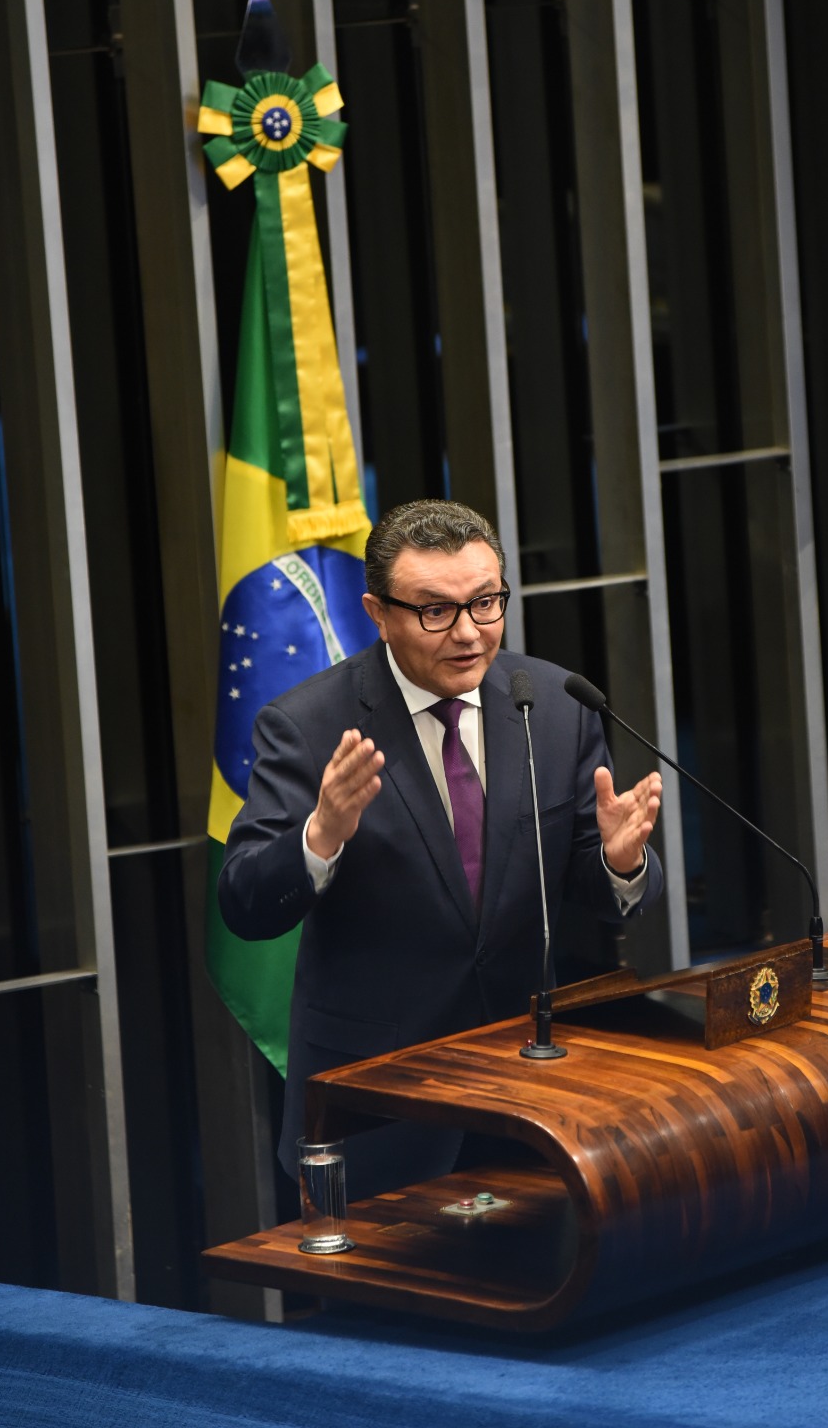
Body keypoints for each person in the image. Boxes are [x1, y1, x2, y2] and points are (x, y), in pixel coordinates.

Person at [219, 499, 664, 1197]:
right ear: (377, 612)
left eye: (486, 603)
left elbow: (591, 883)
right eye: (436, 610)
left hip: (531, 1091)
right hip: (379, 1102)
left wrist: (617, 859)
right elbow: (245, 902)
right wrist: (321, 834)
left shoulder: (551, 701)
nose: (467, 633)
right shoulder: (307, 724)